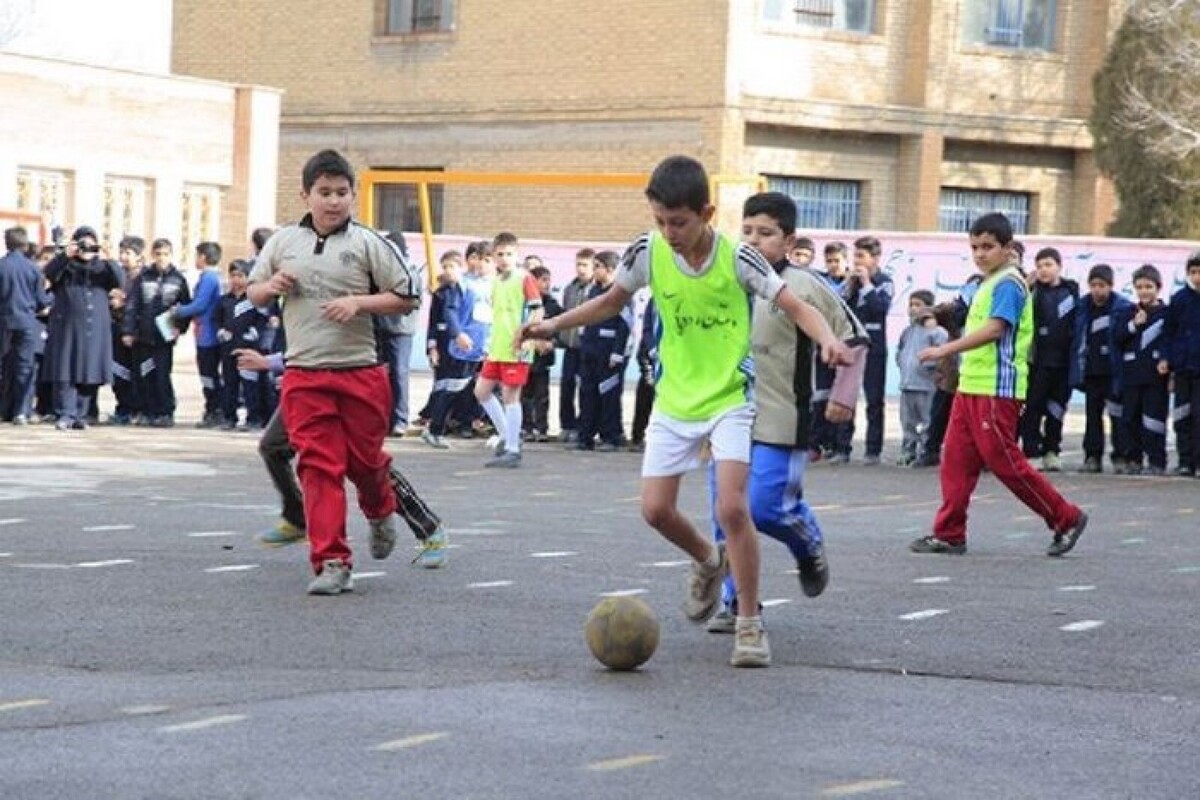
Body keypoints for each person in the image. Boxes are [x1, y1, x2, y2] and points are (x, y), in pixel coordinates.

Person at [522, 156, 850, 668]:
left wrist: (828, 338)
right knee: (655, 510)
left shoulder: (739, 258)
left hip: (730, 400)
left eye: (680, 222)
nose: (670, 232)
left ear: (707, 213)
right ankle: (706, 559)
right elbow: (611, 301)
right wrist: (554, 325)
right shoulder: (648, 252)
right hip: (674, 400)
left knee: (733, 509)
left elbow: (796, 306)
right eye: (660, 221)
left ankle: (748, 624)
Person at [246, 149, 422, 595]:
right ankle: (332, 561)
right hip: (305, 374)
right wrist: (270, 287)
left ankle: (381, 511)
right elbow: (253, 293)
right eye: (324, 193)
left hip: (360, 372)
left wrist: (359, 302)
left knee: (365, 464)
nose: (333, 201)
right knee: (318, 467)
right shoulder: (283, 242)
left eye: (342, 193)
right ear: (306, 195)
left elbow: (408, 295)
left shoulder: (368, 243)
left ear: (353, 195)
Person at [707, 191, 867, 634]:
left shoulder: (805, 286)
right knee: (726, 510)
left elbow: (854, 338)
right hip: (728, 413)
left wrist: (844, 395)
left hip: (783, 418)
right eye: (748, 231)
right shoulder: (728, 280)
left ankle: (808, 541)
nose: (755, 241)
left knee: (764, 508)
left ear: (789, 239)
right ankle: (736, 601)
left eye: (767, 233)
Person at [910, 212, 1088, 558]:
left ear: (1007, 249)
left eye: (988, 247)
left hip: (997, 389)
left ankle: (1065, 517)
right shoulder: (985, 282)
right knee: (955, 459)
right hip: (972, 386)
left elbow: (994, 329)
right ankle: (949, 533)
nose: (980, 253)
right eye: (975, 246)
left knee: (1005, 462)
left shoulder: (1008, 283)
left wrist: (944, 349)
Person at [472, 231, 543, 468]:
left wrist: (524, 331)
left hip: (517, 347)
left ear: (517, 254)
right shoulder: (496, 281)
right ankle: (509, 436)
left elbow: (537, 311)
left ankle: (512, 449)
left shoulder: (524, 278)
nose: (504, 258)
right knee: (481, 392)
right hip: (497, 346)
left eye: (509, 254)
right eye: (500, 254)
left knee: (511, 396)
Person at [43, 227, 124, 430]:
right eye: (83, 244)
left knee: (89, 371)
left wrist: (107, 256)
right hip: (67, 327)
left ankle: (81, 413)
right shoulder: (66, 267)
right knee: (65, 370)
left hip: (94, 329)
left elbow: (120, 280)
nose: (86, 249)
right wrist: (65, 255)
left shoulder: (102, 268)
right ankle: (65, 413)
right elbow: (48, 275)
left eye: (90, 244)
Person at [1019, 247, 1078, 472]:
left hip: (1063, 363)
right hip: (1037, 362)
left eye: (1048, 265)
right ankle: (1031, 451)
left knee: (1057, 409)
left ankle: (1052, 450)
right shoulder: (1033, 293)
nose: (1043, 270)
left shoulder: (1071, 291)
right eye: (1040, 265)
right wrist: (1028, 285)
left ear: (1059, 267)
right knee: (1032, 408)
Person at [1070, 263, 1132, 473]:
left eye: (1102, 285)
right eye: (1094, 285)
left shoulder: (1122, 308)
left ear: (1111, 286)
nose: (1098, 290)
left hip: (1113, 372)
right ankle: (1092, 456)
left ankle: (1120, 457)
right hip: (1091, 371)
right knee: (1092, 417)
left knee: (1118, 416)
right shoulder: (1082, 307)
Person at [123, 239, 191, 427]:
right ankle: (147, 411)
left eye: (165, 254)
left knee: (162, 375)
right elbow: (132, 305)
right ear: (153, 255)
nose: (161, 258)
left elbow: (185, 307)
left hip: (165, 336)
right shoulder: (144, 278)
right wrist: (128, 331)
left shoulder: (178, 279)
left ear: (171, 255)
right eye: (158, 254)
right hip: (143, 336)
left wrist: (180, 328)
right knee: (145, 374)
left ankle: (165, 412)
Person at [422, 251, 485, 449]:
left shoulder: (469, 289)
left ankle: (437, 426)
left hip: (466, 344)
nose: (448, 271)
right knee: (446, 387)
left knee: (457, 387)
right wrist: (432, 346)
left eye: (452, 266)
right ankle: (435, 428)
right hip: (448, 344)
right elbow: (434, 321)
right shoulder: (442, 292)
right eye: (445, 267)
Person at [574, 250, 632, 451]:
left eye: (597, 266)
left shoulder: (620, 292)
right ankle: (585, 436)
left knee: (609, 396)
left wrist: (618, 352)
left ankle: (611, 437)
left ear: (610, 269)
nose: (593, 270)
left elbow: (626, 324)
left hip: (609, 353)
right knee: (587, 393)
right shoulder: (594, 291)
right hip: (590, 349)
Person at [1115, 264, 1169, 475]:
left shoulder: (1166, 314)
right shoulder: (1128, 312)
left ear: (1158, 287)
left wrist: (1166, 359)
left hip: (1156, 375)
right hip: (1132, 375)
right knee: (1130, 418)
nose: (1144, 291)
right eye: (1140, 287)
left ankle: (1157, 460)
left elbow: (1170, 340)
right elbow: (1117, 338)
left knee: (1154, 418)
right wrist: (1133, 325)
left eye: (1149, 286)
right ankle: (1133, 458)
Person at [843, 235, 893, 464]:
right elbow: (843, 310)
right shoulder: (851, 282)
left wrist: (866, 285)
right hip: (853, 346)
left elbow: (880, 308)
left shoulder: (884, 281)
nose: (857, 261)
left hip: (875, 348)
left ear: (875, 258)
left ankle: (873, 450)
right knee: (847, 396)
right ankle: (842, 447)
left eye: (861, 256)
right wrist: (850, 286)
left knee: (874, 399)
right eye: (855, 256)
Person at [215, 259, 278, 429]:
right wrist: (221, 331)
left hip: (249, 350)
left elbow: (263, 320)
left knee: (250, 386)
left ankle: (253, 418)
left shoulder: (255, 300)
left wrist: (252, 335)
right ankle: (229, 417)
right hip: (228, 349)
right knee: (229, 384)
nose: (236, 280)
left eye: (240, 275)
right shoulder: (224, 301)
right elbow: (218, 320)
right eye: (233, 275)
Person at [0, 227, 50, 424]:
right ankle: (21, 410)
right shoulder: (33, 268)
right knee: (25, 367)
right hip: (27, 322)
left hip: (4, 321)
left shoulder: (1, 266)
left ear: (7, 242)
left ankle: (5, 409)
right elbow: (41, 300)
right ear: (25, 243)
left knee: (5, 366)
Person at [172, 241, 225, 428]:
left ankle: (214, 409)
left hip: (207, 334)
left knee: (208, 374)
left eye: (197, 256)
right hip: (207, 332)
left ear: (203, 257)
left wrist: (178, 311)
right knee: (209, 373)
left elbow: (200, 305)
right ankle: (214, 408)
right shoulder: (215, 277)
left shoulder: (209, 278)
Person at [376, 230, 421, 438]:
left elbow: (410, 302)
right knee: (380, 376)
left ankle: (400, 419)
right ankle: (383, 419)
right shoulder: (381, 269)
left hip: (400, 329)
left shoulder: (409, 270)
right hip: (379, 327)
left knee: (399, 373)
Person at [895, 289, 947, 466]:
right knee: (908, 421)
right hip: (907, 384)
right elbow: (900, 351)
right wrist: (902, 365)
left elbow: (943, 355)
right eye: (911, 304)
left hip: (926, 385)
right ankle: (908, 451)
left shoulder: (937, 332)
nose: (913, 309)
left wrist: (929, 367)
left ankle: (927, 451)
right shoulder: (908, 331)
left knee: (927, 421)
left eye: (918, 305)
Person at [810, 241, 851, 462]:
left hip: (846, 345)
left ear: (846, 260)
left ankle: (842, 447)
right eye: (829, 261)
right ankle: (820, 443)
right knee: (821, 396)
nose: (833, 265)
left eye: (837, 260)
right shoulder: (820, 282)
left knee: (842, 396)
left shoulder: (853, 283)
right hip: (823, 345)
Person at [1161, 252, 1200, 477]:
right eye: (1193, 272)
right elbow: (1168, 333)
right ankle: (1185, 461)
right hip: (1183, 368)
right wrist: (1167, 358)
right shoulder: (1179, 300)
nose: (1197, 277)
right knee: (1182, 416)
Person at [556, 248, 594, 442]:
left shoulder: (596, 290)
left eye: (585, 265)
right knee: (566, 385)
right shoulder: (570, 288)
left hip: (586, 346)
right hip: (570, 345)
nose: (580, 269)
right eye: (578, 264)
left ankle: (582, 426)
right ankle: (567, 425)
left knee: (585, 388)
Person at [521, 265, 561, 442]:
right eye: (543, 280)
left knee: (542, 395)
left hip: (543, 358)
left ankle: (541, 428)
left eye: (548, 280)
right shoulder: (524, 303)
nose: (547, 284)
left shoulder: (552, 305)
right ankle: (526, 427)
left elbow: (560, 328)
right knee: (524, 394)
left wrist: (552, 343)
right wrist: (530, 341)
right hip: (524, 355)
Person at [108, 237, 145, 425]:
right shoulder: (117, 275)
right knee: (118, 372)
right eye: (121, 252)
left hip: (137, 332)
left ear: (139, 256)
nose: (123, 257)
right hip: (117, 328)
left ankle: (137, 408)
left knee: (138, 373)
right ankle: (123, 407)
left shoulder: (145, 277)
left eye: (128, 253)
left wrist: (125, 302)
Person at [628, 294, 658, 452]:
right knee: (644, 400)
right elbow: (647, 330)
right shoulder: (655, 301)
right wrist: (652, 351)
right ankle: (637, 437)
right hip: (651, 357)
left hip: (676, 361)